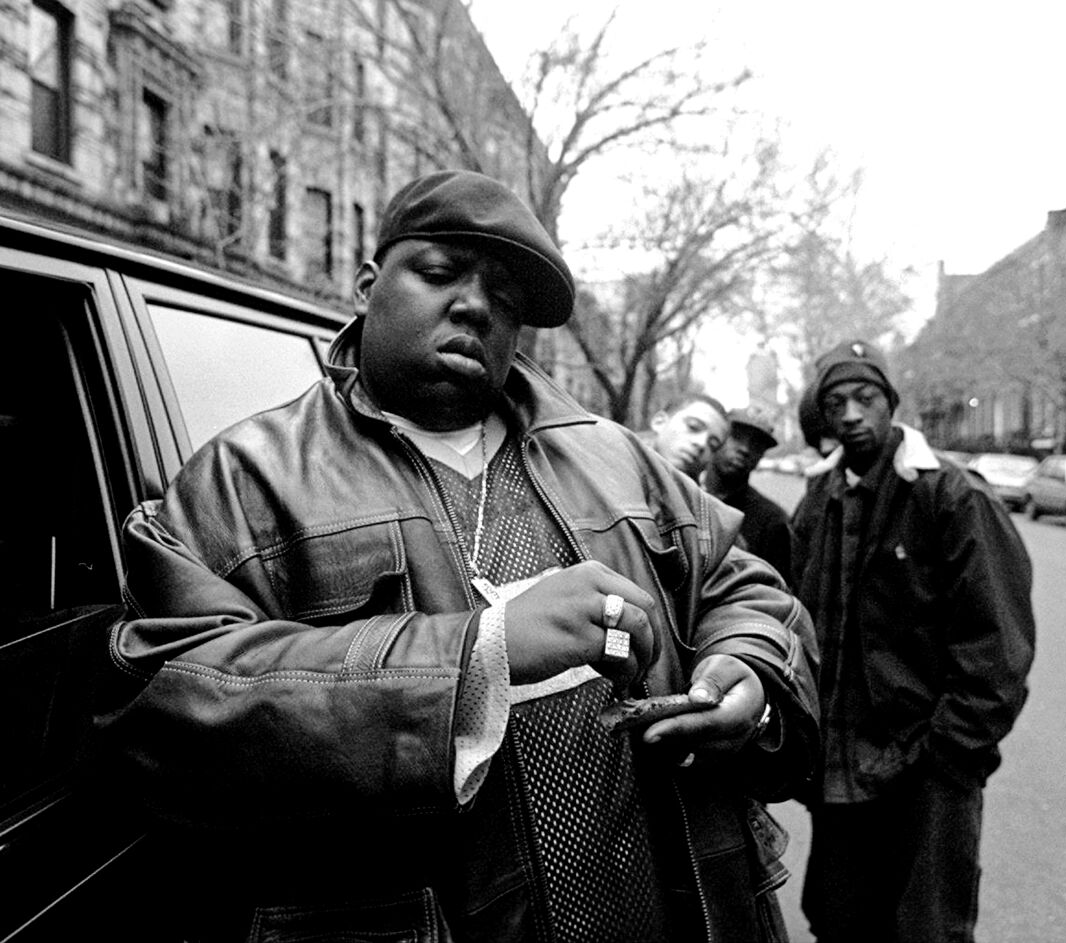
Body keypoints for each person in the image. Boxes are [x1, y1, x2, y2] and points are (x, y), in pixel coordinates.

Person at [95, 169, 820, 943]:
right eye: (440, 273)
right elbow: (162, 709)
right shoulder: (245, 480)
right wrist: (477, 655)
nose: (474, 305)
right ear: (370, 284)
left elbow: (746, 586)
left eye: (504, 299)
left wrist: (747, 668)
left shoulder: (614, 456)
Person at [790, 339, 1035, 943]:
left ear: (890, 402)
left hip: (927, 770)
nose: (851, 414)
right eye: (837, 401)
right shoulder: (818, 500)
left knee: (927, 929)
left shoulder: (951, 495)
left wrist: (949, 753)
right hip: (842, 768)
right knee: (840, 921)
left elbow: (997, 642)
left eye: (865, 397)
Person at [702, 405, 792, 582]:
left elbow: (774, 594)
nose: (745, 449)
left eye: (757, 444)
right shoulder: (684, 494)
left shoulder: (772, 521)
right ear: (717, 438)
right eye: (736, 437)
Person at [646, 392, 730, 479]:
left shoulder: (695, 491)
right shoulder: (631, 458)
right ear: (659, 422)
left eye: (712, 445)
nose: (702, 444)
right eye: (693, 427)